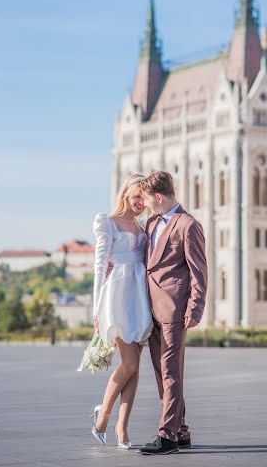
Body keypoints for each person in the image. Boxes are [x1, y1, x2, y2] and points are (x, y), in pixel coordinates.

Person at [138, 171, 208, 455]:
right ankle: (180, 430)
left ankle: (167, 436)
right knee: (162, 371)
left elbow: (199, 272)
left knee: (170, 371)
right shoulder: (152, 222)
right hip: (150, 309)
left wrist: (195, 307)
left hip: (175, 309)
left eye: (146, 199)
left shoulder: (188, 225)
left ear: (158, 197)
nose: (144, 204)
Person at [90, 174, 153, 450]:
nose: (141, 202)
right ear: (126, 194)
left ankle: (122, 425)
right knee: (130, 364)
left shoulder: (144, 225)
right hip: (117, 297)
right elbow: (99, 264)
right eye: (136, 196)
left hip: (140, 297)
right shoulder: (108, 222)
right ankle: (102, 416)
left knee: (135, 367)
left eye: (144, 197)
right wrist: (96, 310)